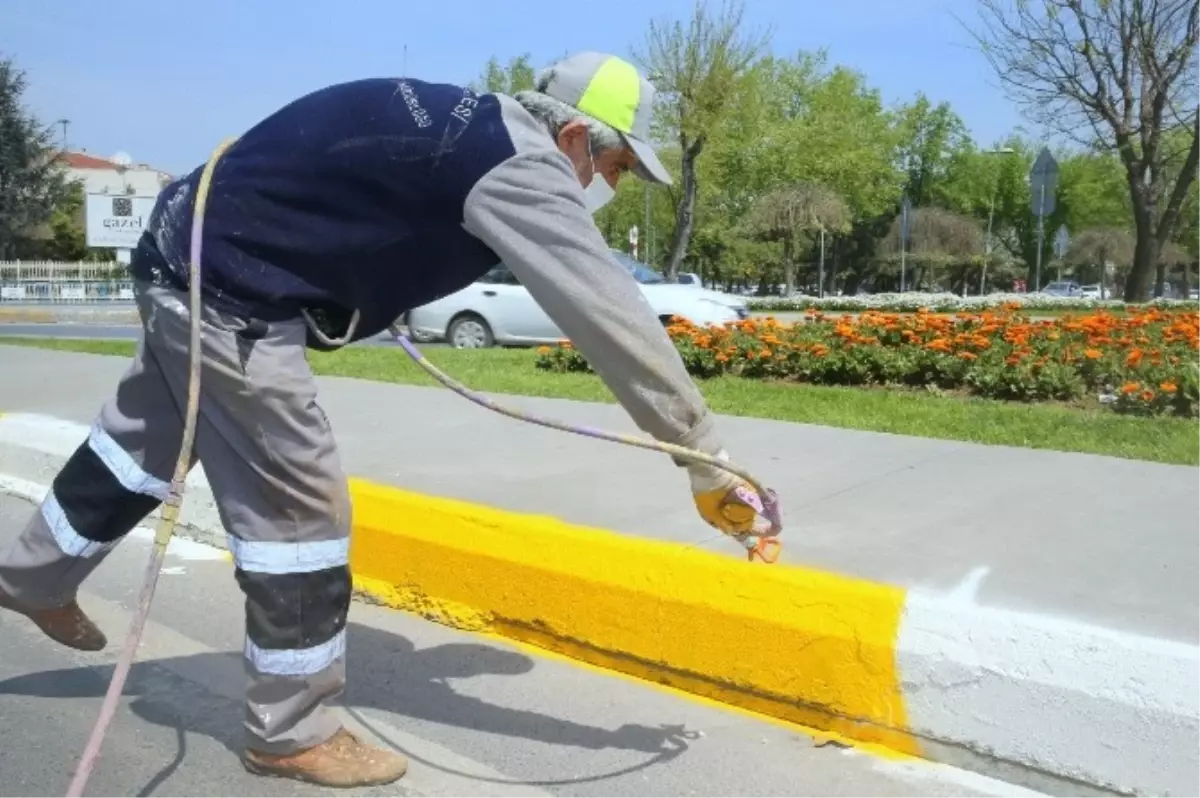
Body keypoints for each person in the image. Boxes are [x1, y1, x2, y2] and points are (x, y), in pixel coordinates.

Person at [0, 51, 764, 788]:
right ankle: (291, 734)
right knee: (300, 512)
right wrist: (706, 460)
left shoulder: (467, 125)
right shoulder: (525, 167)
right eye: (619, 167)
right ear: (573, 138)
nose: (614, 186)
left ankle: (33, 574)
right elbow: (612, 314)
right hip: (233, 298)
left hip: (182, 255)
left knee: (141, 444)